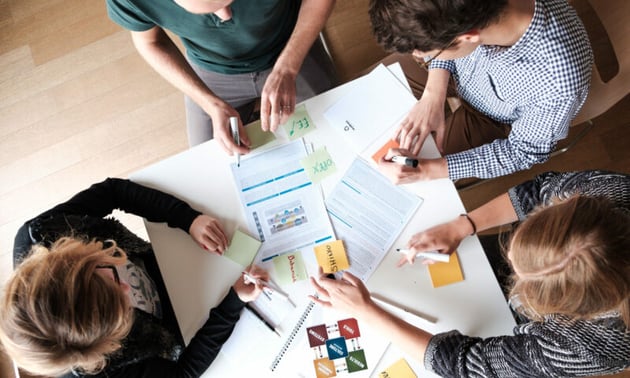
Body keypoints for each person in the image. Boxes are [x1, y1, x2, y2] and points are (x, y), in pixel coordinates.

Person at [310, 170, 630, 377]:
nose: (514, 282)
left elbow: (466, 365)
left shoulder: (594, 346)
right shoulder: (606, 192)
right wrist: (463, 226)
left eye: (523, 284)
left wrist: (363, 311)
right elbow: (538, 190)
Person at [0, 178, 269, 377]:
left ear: (72, 258)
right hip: (186, 318)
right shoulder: (101, 371)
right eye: (119, 308)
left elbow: (114, 192)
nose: (127, 287)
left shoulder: (44, 233)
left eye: (107, 276)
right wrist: (233, 303)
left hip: (174, 255)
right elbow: (183, 373)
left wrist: (186, 219)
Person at [368, 0, 593, 182]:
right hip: (455, 68)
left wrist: (427, 170)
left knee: (407, 177)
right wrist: (433, 93)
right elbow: (441, 28)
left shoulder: (557, 84)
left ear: (468, 36)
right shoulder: (467, 24)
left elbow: (521, 152)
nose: (419, 58)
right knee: (372, 87)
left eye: (425, 53)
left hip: (491, 117)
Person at [105, 0, 337, 153]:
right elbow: (150, 42)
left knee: (335, 130)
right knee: (211, 158)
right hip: (211, 70)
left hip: (288, 45)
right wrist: (210, 103)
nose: (225, 17)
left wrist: (287, 68)